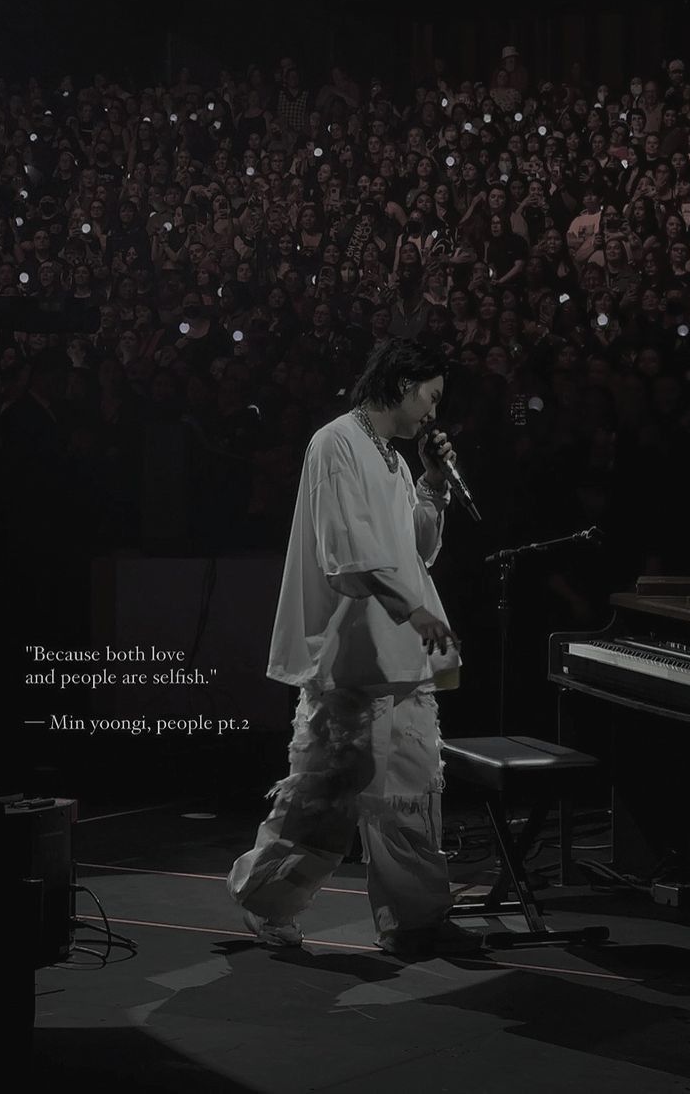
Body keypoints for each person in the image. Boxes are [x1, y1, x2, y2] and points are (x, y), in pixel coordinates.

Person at [227, 338, 468, 959]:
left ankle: (415, 918)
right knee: (327, 797)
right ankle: (266, 900)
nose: (432, 415)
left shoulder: (389, 455)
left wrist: (433, 487)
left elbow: (417, 550)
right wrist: (410, 609)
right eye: (431, 398)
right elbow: (345, 556)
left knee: (410, 791)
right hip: (352, 653)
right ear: (405, 383)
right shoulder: (336, 442)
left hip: (401, 656)